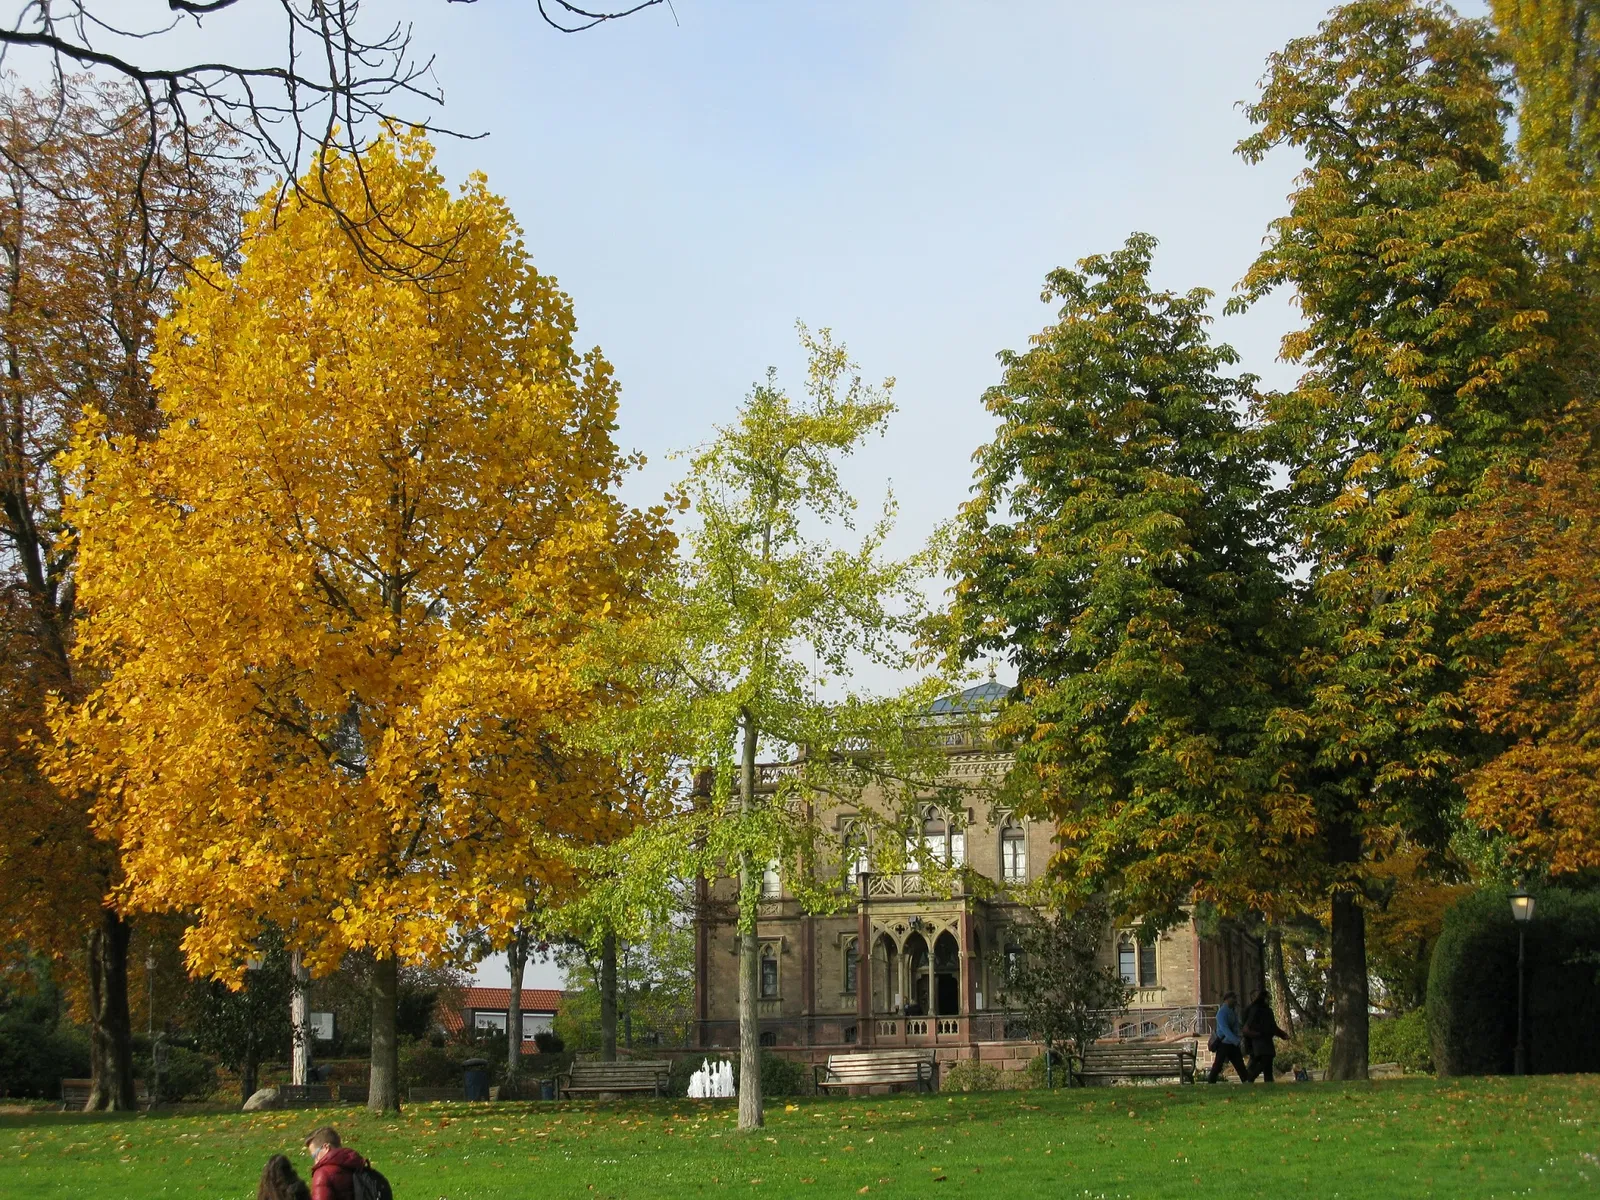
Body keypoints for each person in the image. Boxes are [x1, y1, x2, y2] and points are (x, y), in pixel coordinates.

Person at [304, 1127, 369, 1200]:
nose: (315, 1161)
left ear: (326, 1147)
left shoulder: (322, 1173)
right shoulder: (358, 1165)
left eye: (314, 1155)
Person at [1241, 988, 1291, 1083]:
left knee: (1265, 1064)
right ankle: (1250, 1079)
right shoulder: (1258, 1010)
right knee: (1264, 1061)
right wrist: (1257, 1035)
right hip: (1260, 1040)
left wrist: (1282, 1035)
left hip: (1262, 1039)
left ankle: (1267, 1081)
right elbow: (1248, 1027)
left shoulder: (1261, 1009)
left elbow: (1272, 1026)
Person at [1206, 990, 1249, 1083]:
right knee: (1218, 1064)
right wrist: (1237, 1040)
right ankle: (1211, 1080)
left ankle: (1246, 1080)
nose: (1235, 1000)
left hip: (1232, 1044)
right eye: (1233, 998)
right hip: (1224, 1043)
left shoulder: (1232, 1011)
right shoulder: (1222, 1012)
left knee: (1239, 1064)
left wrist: (1240, 1036)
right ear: (1227, 999)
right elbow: (1225, 1029)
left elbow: (1236, 1026)